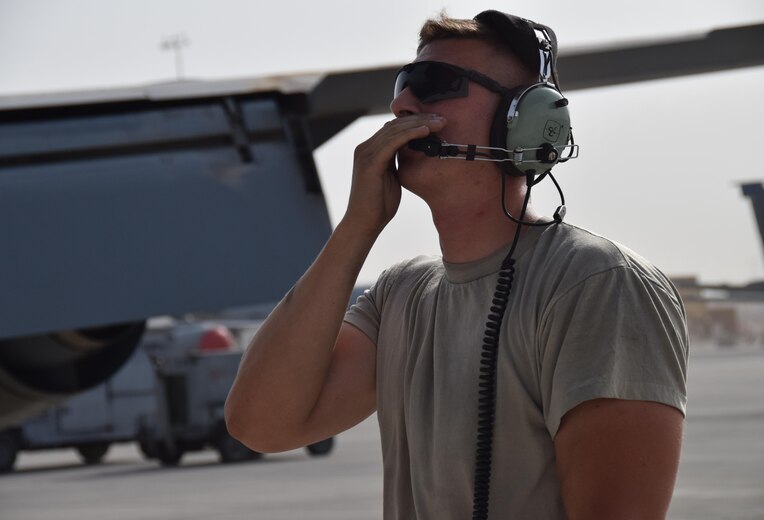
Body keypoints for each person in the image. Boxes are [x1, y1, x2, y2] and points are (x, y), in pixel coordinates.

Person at [225, 10, 688, 520]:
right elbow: (261, 424)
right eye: (404, 84)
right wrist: (357, 228)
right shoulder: (399, 294)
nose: (402, 103)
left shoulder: (598, 284)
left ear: (524, 121)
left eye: (436, 84)